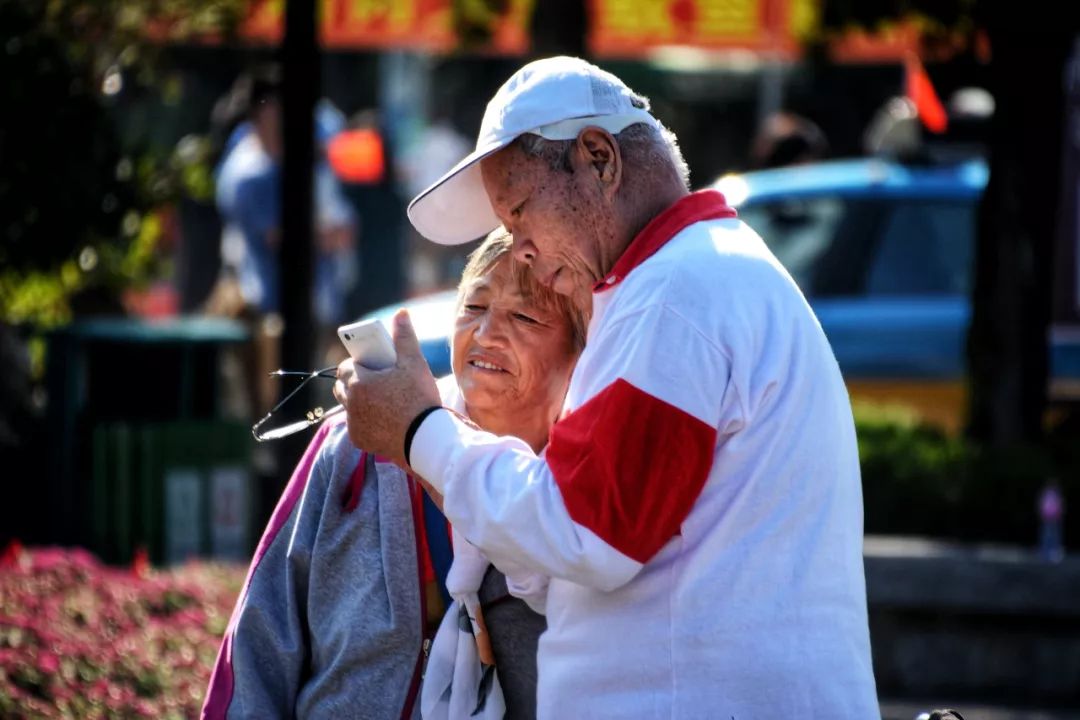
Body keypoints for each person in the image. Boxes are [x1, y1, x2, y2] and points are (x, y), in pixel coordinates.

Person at [334, 56, 879, 718]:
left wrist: (421, 431)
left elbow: (587, 532)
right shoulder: (690, 276)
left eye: (520, 212)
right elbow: (585, 555)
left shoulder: (676, 289)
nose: (519, 248)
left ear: (598, 158)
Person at [202, 228, 588, 719]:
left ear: (580, 349)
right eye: (474, 307)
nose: (486, 333)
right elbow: (260, 641)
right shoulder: (356, 445)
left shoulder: (582, 491)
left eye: (525, 316)